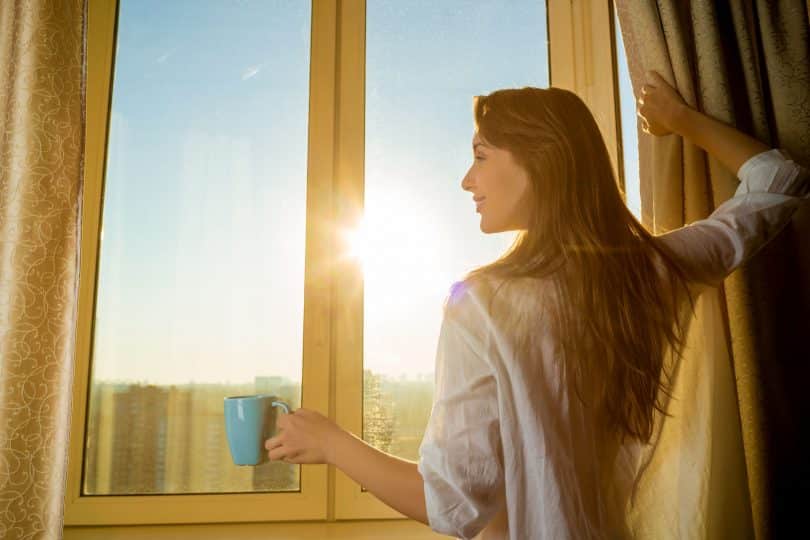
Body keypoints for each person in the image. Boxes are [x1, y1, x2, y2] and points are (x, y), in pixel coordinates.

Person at [262, 71, 809, 539]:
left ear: (540, 160)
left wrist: (330, 443)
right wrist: (682, 120)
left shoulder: (482, 304)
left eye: (480, 156)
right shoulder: (651, 271)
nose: (466, 180)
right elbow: (778, 181)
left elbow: (451, 505)